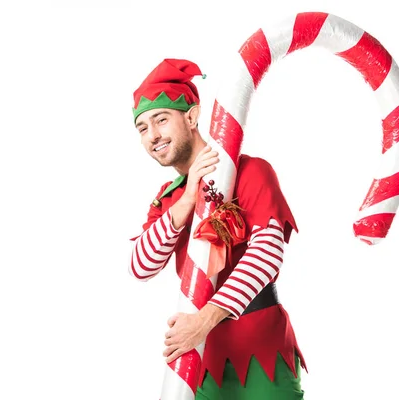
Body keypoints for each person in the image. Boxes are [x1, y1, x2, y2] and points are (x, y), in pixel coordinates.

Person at [129, 58, 307, 399]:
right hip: (201, 362)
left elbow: (267, 254)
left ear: (192, 116)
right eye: (142, 128)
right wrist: (186, 202)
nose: (153, 135)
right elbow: (140, 267)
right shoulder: (169, 201)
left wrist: (203, 321)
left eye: (161, 119)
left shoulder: (251, 171)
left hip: (262, 355)